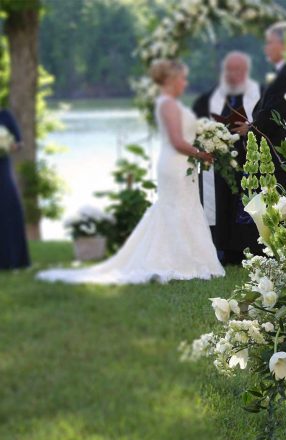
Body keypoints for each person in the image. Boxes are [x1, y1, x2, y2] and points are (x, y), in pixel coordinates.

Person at [37, 60, 224, 285]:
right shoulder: (168, 105)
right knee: (175, 208)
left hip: (181, 164)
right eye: (182, 78)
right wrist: (201, 154)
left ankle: (189, 259)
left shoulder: (167, 103)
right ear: (171, 80)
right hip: (175, 164)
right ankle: (176, 260)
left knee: (184, 207)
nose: (185, 83)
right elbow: (176, 141)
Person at [192, 52, 261, 264]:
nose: (234, 75)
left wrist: (250, 128)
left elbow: (271, 127)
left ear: (246, 72)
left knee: (243, 205)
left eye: (238, 70)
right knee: (216, 205)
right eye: (230, 70)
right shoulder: (207, 100)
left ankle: (244, 250)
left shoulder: (259, 97)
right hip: (216, 165)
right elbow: (194, 127)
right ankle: (216, 248)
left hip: (248, 161)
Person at [232, 21, 286, 186]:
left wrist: (251, 129)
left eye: (269, 43)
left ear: (284, 45)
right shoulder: (285, 73)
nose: (265, 48)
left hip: (281, 160)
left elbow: (275, 113)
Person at [0, 108, 30, 270]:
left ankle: (14, 260)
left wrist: (7, 147)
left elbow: (20, 143)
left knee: (9, 210)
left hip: (2, 171)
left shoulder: (6, 116)